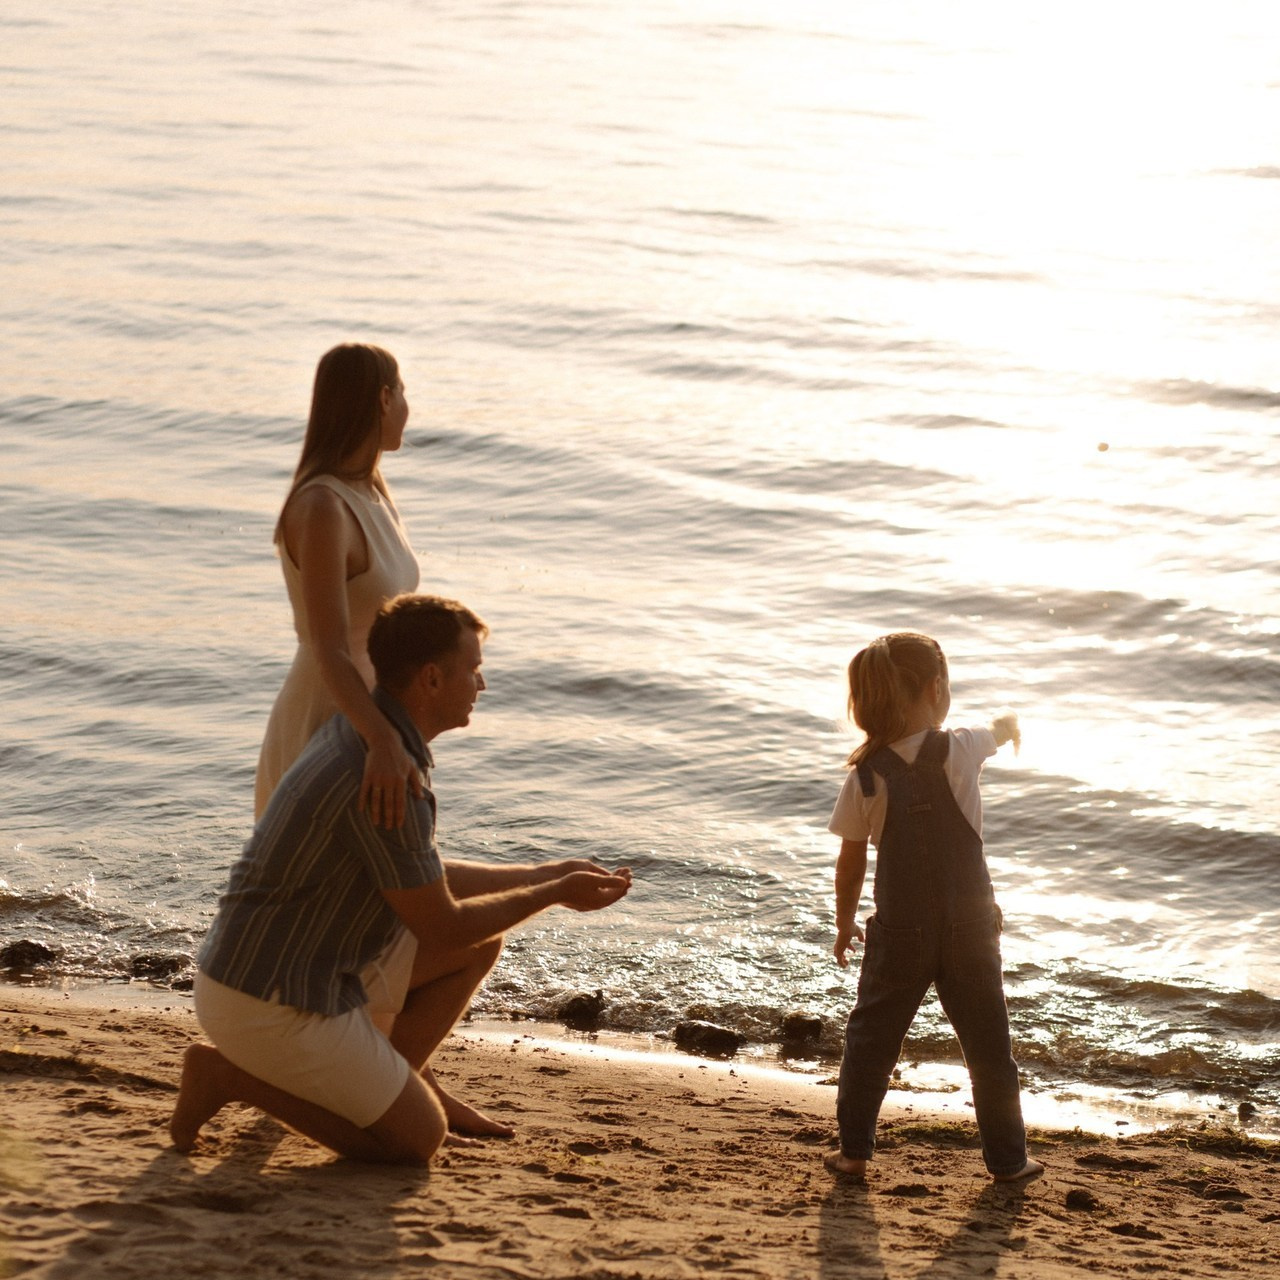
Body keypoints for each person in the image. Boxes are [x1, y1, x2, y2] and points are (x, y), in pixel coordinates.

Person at [171, 594, 633, 1164]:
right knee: (417, 1141)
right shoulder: (388, 779)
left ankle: (385, 1087)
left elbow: (422, 879)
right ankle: (227, 1078)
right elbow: (440, 927)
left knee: (481, 946)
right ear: (433, 679)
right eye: (475, 670)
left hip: (266, 968)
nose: (481, 686)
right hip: (269, 998)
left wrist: (543, 871)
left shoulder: (369, 739)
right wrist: (555, 894)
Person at [823, 632, 1042, 1184]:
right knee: (990, 1049)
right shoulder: (963, 746)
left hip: (899, 931)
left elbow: (850, 864)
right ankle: (1009, 1163)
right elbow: (996, 732)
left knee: (871, 1041)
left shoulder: (866, 777)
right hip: (970, 928)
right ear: (936, 688)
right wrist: (1012, 723)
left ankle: (853, 1153)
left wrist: (845, 921)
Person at [254, 342, 422, 828]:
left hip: (372, 716)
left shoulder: (371, 491)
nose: (409, 410)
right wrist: (384, 740)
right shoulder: (323, 506)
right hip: (327, 717)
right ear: (384, 399)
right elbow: (330, 648)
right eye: (404, 393)